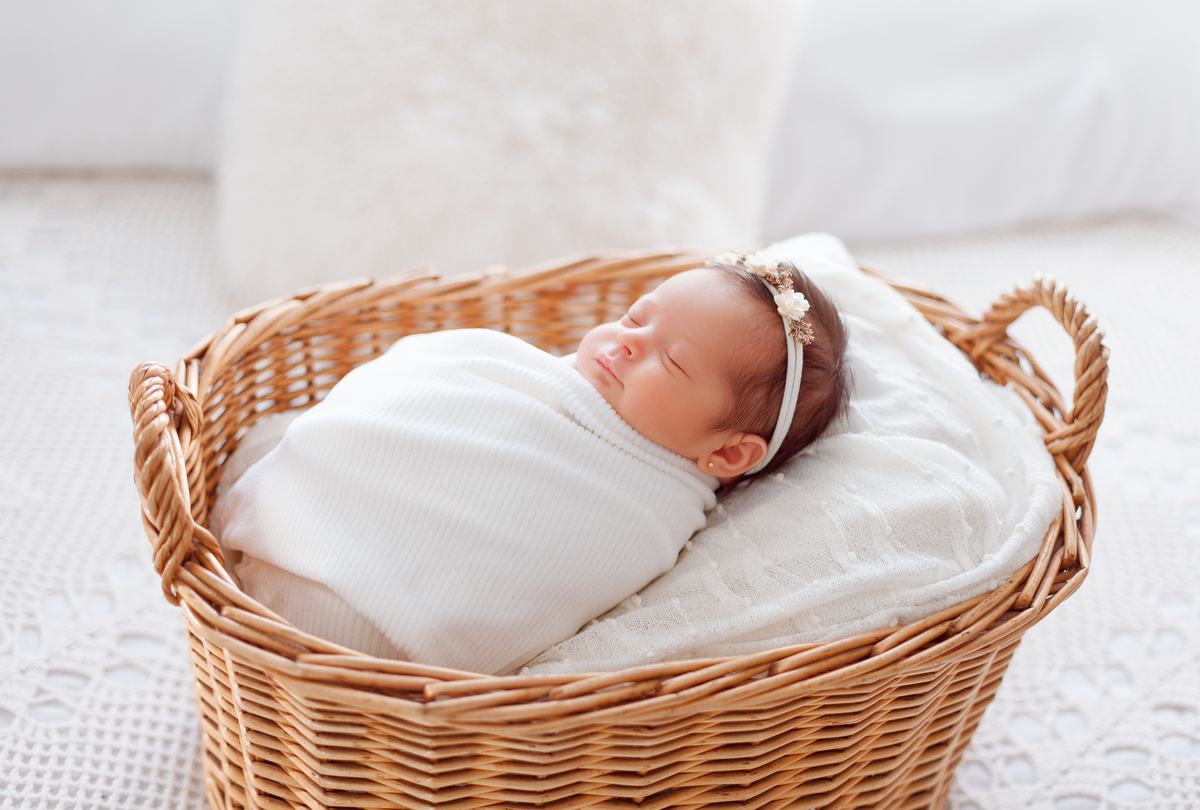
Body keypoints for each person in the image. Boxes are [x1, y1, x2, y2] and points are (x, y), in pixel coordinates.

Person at [211, 252, 849, 674]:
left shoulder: (646, 508)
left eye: (673, 360)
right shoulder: (540, 380)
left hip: (370, 643)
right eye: (635, 317)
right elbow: (423, 396)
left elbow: (537, 557)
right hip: (296, 540)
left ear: (729, 453)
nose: (627, 342)